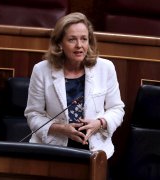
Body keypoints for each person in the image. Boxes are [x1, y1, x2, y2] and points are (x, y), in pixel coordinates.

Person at [24, 12, 125, 159]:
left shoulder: (105, 68)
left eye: (84, 39)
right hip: (52, 147)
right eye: (72, 39)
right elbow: (33, 115)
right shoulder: (41, 70)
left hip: (94, 148)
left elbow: (117, 109)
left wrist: (100, 122)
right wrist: (61, 129)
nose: (79, 45)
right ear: (59, 43)